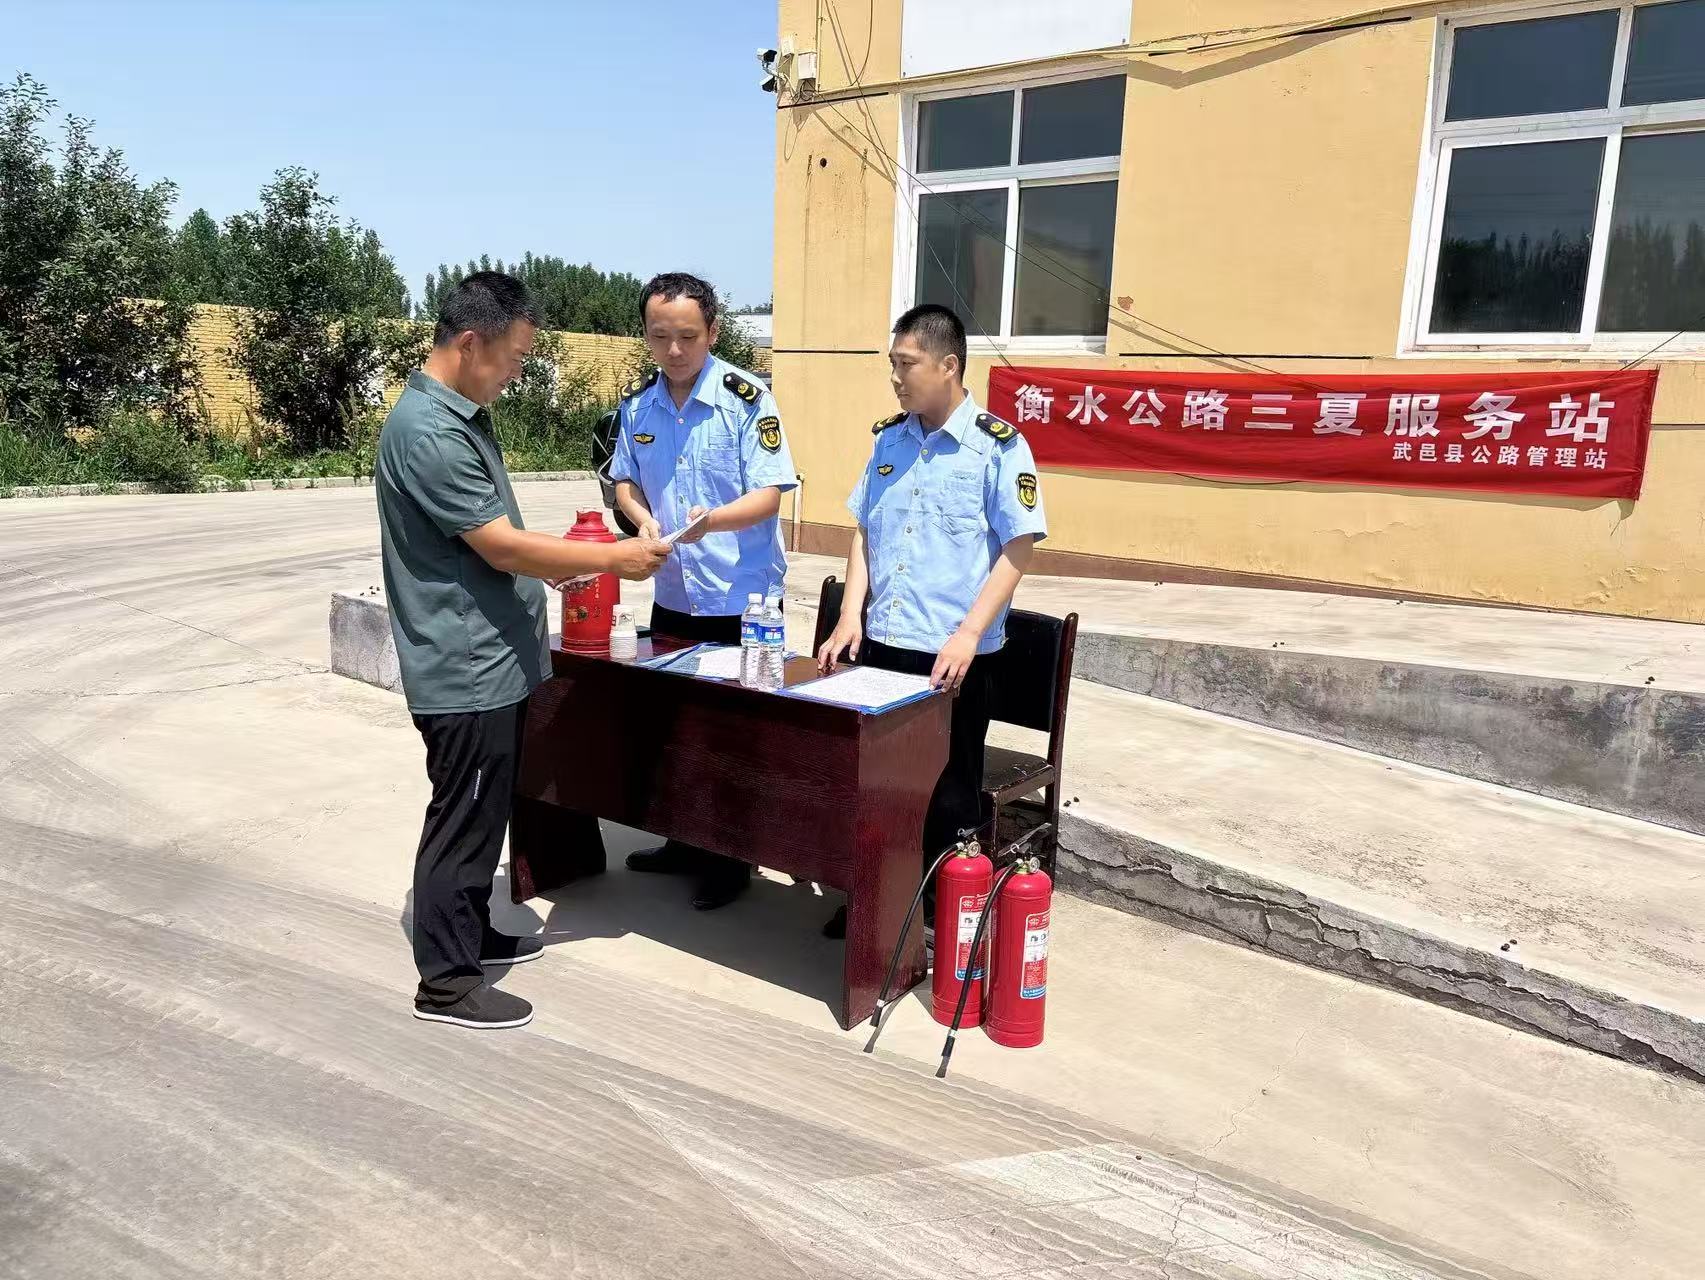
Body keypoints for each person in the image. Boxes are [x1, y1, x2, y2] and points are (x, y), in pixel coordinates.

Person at [377, 271, 670, 1030]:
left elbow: (484, 547)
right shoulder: (431, 432)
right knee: (462, 820)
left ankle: (469, 932)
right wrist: (611, 557)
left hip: (491, 660)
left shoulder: (458, 415)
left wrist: (556, 570)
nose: (515, 373)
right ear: (471, 342)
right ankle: (447, 984)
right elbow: (500, 546)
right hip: (465, 667)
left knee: (483, 817)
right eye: (512, 357)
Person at [816, 303, 1047, 938]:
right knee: (878, 785)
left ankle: (938, 917)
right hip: (884, 645)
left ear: (948, 365)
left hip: (952, 656)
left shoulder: (998, 447)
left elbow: (1019, 546)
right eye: (892, 364)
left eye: (907, 364)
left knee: (949, 793)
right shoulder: (889, 440)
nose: (896, 377)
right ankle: (874, 901)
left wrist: (969, 633)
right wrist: (850, 615)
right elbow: (864, 529)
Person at [609, 271, 797, 910]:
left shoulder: (747, 401)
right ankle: (684, 840)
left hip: (742, 603)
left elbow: (769, 494)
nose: (674, 350)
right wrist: (641, 519)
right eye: (659, 336)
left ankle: (731, 857)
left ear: (713, 332)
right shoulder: (639, 408)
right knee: (678, 727)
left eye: (688, 336)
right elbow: (624, 481)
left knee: (736, 734)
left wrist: (709, 522)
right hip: (674, 595)